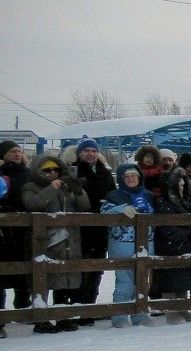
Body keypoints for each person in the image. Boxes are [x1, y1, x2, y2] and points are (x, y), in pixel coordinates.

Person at [21, 154, 90, 333]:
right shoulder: (31, 187)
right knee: (42, 277)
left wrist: (78, 190)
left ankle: (62, 315)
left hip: (68, 239)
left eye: (55, 169)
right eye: (47, 169)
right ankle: (41, 318)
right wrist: (52, 188)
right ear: (38, 171)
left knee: (64, 277)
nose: (52, 172)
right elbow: (33, 204)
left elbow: (84, 206)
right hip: (44, 240)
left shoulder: (66, 187)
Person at [100, 163, 157, 328]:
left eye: (134, 175)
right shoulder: (113, 195)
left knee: (142, 281)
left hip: (147, 243)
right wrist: (121, 208)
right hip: (122, 244)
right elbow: (104, 212)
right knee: (124, 281)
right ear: (121, 179)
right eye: (127, 176)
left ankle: (140, 314)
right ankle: (120, 317)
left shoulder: (149, 195)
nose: (131, 179)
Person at [68, 137, 116, 323]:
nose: (90, 154)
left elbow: (111, 193)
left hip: (101, 226)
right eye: (87, 150)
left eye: (94, 151)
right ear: (80, 153)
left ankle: (90, 305)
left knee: (97, 267)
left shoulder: (104, 172)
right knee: (81, 266)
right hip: (81, 226)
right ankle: (78, 306)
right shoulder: (74, 170)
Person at [155, 167, 191, 324]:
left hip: (186, 244)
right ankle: (171, 312)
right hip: (169, 245)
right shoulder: (164, 202)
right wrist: (188, 233)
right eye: (179, 186)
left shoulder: (187, 202)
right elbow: (166, 227)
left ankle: (183, 309)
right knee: (170, 280)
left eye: (184, 186)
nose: (182, 188)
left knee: (183, 279)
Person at [1, 140, 33, 330]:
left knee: (25, 267)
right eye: (13, 151)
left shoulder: (27, 173)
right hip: (4, 228)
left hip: (24, 228)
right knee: (2, 268)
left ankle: (22, 306)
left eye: (19, 151)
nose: (17, 154)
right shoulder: (1, 173)